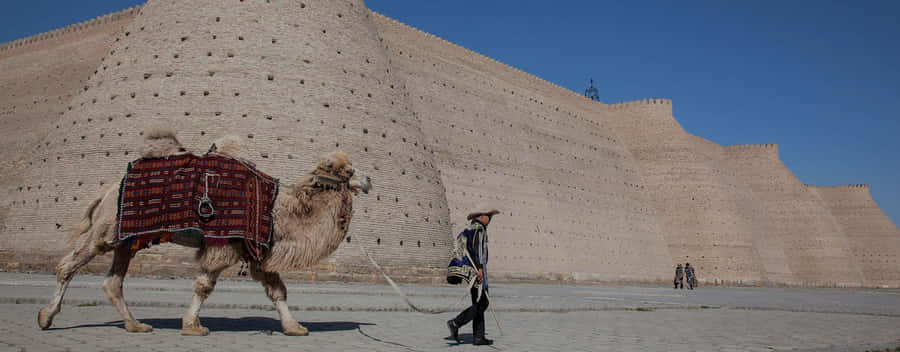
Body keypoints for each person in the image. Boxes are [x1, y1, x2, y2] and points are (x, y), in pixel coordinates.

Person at [447, 205, 499, 346]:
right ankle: (456, 322)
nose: (490, 218)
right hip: (477, 270)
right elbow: (478, 251)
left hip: (471, 271)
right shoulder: (480, 230)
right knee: (483, 302)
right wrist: (481, 269)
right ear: (481, 216)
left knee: (478, 303)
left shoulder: (469, 230)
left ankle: (478, 337)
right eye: (489, 215)